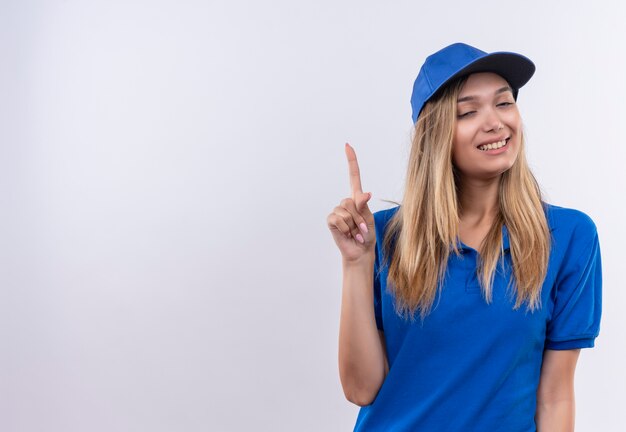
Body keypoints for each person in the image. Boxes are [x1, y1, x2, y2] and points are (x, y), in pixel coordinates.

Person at [326, 42, 602, 431]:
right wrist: (356, 263)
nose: (494, 122)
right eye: (468, 112)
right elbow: (360, 389)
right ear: (436, 136)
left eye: (504, 103)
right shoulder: (383, 236)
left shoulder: (569, 237)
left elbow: (556, 396)